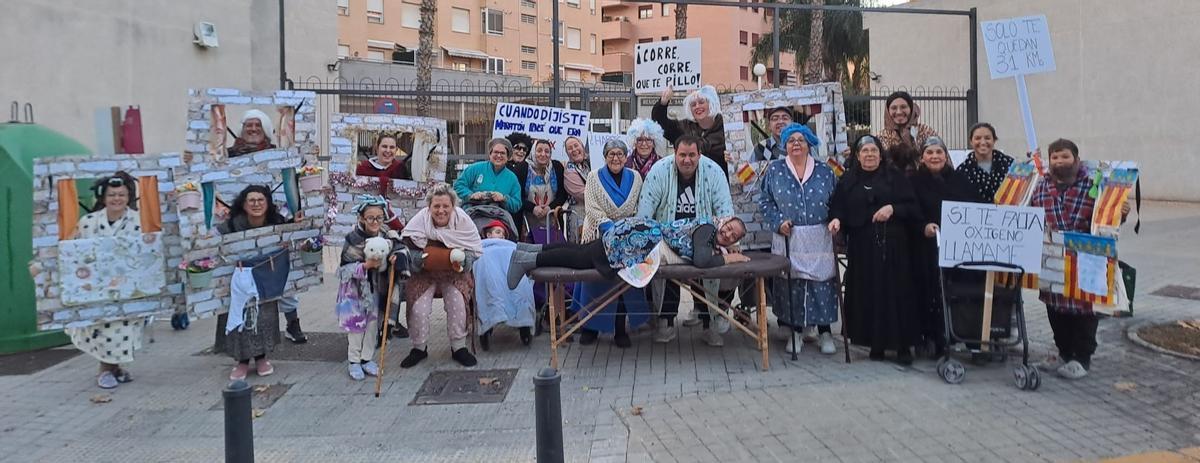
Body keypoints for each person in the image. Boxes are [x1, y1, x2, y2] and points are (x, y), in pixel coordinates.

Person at [1030, 139, 1129, 379]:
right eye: (1055, 157)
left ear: (1076, 159)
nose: (1059, 161)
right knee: (1055, 307)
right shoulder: (1041, 186)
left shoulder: (1095, 185)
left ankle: (1082, 358)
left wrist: (1120, 212)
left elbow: (1107, 219)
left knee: (1084, 308)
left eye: (1065, 156)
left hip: (1087, 258)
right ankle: (1064, 352)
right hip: (1052, 256)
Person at [830, 134, 922, 365]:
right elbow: (838, 207)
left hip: (894, 247)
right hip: (862, 249)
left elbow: (912, 207)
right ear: (857, 156)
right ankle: (875, 343)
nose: (869, 155)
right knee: (869, 294)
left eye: (874, 151)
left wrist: (892, 208)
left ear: (881, 155)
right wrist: (836, 220)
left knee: (896, 295)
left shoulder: (895, 177)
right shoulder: (848, 180)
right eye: (865, 151)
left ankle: (902, 347)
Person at [636, 134, 735, 346]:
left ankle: (710, 322)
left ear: (699, 154)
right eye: (682, 155)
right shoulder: (659, 171)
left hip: (704, 238)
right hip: (667, 237)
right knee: (663, 266)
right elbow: (645, 212)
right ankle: (666, 321)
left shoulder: (714, 171)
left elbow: (725, 212)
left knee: (712, 267)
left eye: (692, 155)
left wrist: (725, 241)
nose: (687, 160)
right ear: (675, 153)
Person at [757, 124, 840, 355]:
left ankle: (825, 332)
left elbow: (838, 201)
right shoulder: (775, 170)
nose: (796, 144)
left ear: (809, 144)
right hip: (789, 236)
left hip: (819, 236)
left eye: (801, 140)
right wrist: (778, 222)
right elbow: (765, 201)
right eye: (791, 140)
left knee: (821, 284)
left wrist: (836, 219)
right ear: (785, 145)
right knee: (791, 284)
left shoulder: (825, 171)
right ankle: (795, 332)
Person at [506, 216, 750, 291]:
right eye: (729, 228)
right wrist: (730, 258)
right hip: (638, 240)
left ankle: (531, 250)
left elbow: (706, 251)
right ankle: (529, 261)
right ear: (724, 221)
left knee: (581, 250)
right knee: (581, 259)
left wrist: (725, 249)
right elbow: (702, 261)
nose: (728, 234)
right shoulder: (707, 229)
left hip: (638, 235)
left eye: (734, 236)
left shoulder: (711, 234)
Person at [66, 172, 146, 389]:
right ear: (103, 197)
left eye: (121, 195)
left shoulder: (139, 221)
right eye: (112, 195)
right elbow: (74, 251)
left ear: (128, 197)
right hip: (96, 287)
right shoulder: (88, 222)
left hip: (129, 287)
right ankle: (105, 369)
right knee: (103, 329)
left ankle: (115, 368)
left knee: (124, 329)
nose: (116, 199)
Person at [571, 139, 650, 348]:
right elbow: (592, 208)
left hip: (625, 238)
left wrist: (625, 230)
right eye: (611, 154)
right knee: (594, 281)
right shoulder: (593, 177)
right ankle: (589, 328)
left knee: (624, 281)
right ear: (605, 157)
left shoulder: (635, 177)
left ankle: (620, 329)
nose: (616, 158)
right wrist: (610, 228)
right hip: (598, 233)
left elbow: (639, 206)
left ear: (626, 157)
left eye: (620, 154)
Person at [911, 136, 982, 358]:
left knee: (958, 291)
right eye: (929, 153)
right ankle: (931, 337)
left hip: (957, 248)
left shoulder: (959, 179)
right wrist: (923, 226)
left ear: (945, 155)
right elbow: (910, 209)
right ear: (922, 157)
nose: (934, 157)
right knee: (929, 291)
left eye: (939, 152)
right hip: (926, 247)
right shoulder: (913, 181)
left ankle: (961, 334)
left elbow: (973, 207)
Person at [399, 185, 484, 368]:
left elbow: (473, 250)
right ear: (429, 207)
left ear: (453, 206)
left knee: (458, 303)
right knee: (419, 308)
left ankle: (458, 347)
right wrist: (420, 260)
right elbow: (406, 249)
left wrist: (463, 261)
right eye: (436, 206)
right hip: (424, 273)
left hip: (454, 273)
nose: (441, 210)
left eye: (446, 206)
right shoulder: (419, 221)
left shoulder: (462, 221)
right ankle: (419, 348)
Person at [215, 185, 291, 380]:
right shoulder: (232, 225)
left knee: (264, 318)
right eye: (252, 200)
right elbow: (215, 240)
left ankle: (261, 358)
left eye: (260, 200)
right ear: (244, 204)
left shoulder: (277, 222)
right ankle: (241, 361)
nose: (256, 204)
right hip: (239, 280)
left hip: (265, 278)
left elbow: (291, 235)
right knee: (240, 318)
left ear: (267, 203)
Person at [335, 195, 405, 380]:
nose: (375, 222)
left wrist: (395, 258)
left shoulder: (387, 235)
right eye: (370, 218)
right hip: (354, 291)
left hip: (377, 288)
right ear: (362, 218)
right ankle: (354, 361)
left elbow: (399, 248)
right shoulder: (353, 238)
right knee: (356, 327)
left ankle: (367, 358)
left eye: (379, 218)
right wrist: (365, 266)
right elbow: (344, 268)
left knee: (373, 325)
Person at [474, 219, 535, 351]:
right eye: (498, 232)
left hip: (509, 270)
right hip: (490, 269)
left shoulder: (510, 246)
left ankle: (523, 319)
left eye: (503, 234)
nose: (501, 236)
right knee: (487, 272)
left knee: (521, 283)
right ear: (488, 235)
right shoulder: (482, 247)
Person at [653, 85, 728, 176]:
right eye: (693, 104)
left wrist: (732, 159)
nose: (697, 106)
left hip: (719, 181)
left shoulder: (727, 128)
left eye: (701, 102)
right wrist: (663, 103)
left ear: (711, 103)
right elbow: (659, 124)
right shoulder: (684, 127)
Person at [453, 138, 523, 215]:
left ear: (508, 157)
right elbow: (458, 185)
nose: (499, 155)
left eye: (502, 153)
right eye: (496, 152)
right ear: (490, 154)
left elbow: (517, 204)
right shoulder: (475, 168)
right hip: (473, 214)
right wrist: (471, 195)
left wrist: (504, 199)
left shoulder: (512, 178)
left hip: (499, 217)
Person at [876, 91, 940, 175]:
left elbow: (941, 159)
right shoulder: (882, 137)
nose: (899, 112)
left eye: (903, 107)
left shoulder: (925, 132)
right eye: (894, 108)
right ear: (888, 111)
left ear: (911, 109)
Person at [956, 123, 1015, 203]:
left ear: (994, 140)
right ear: (971, 141)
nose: (983, 142)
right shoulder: (962, 171)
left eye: (987, 138)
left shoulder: (1010, 165)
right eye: (978, 138)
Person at [562, 136, 590, 243]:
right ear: (567, 153)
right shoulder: (569, 170)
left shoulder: (589, 164)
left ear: (582, 147)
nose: (574, 149)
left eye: (576, 145)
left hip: (592, 212)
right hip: (579, 215)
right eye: (570, 148)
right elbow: (582, 193)